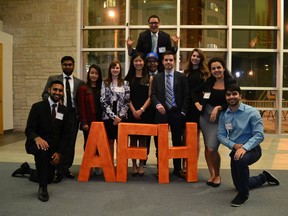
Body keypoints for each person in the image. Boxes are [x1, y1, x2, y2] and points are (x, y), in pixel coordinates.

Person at [217, 84, 280, 207]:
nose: (231, 97)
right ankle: (264, 177)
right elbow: (221, 135)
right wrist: (234, 146)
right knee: (239, 184)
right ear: (225, 97)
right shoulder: (224, 115)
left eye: (234, 93)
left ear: (240, 95)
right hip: (235, 150)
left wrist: (244, 148)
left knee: (241, 162)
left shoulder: (252, 112)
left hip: (252, 149)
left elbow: (259, 135)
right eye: (228, 94)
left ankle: (243, 195)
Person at [12, 80, 70, 202]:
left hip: (53, 148)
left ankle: (27, 170)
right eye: (55, 89)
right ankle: (43, 188)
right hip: (35, 143)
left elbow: (65, 135)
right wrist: (37, 138)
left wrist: (59, 153)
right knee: (42, 151)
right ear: (49, 90)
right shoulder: (37, 107)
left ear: (62, 93)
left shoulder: (64, 111)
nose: (57, 92)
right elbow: (29, 129)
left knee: (48, 177)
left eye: (60, 90)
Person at [42, 56, 85, 180]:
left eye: (70, 65)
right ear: (61, 65)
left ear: (73, 66)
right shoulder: (53, 79)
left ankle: (65, 168)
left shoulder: (79, 82)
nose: (68, 67)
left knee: (70, 142)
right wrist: (54, 100)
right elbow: (44, 94)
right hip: (57, 113)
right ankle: (54, 167)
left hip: (72, 115)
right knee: (56, 139)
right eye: (65, 64)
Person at [151, 50, 190, 179]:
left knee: (177, 142)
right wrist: (157, 105)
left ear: (174, 61)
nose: (168, 62)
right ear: (162, 62)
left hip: (177, 113)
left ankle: (177, 169)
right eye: (166, 60)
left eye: (171, 60)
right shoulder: (156, 78)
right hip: (161, 114)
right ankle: (161, 168)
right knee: (160, 143)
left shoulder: (181, 77)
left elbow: (186, 95)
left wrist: (183, 112)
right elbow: (153, 95)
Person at [199, 57, 237, 187]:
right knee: (207, 146)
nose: (216, 70)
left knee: (212, 147)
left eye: (218, 67)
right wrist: (197, 103)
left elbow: (234, 101)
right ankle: (212, 174)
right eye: (213, 68)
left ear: (223, 68)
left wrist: (219, 107)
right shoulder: (209, 82)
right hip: (205, 118)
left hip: (221, 118)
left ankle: (218, 174)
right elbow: (196, 92)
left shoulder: (230, 82)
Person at [124, 52, 152, 176]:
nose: (138, 63)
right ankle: (134, 165)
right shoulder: (128, 79)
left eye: (140, 61)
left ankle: (141, 165)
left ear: (144, 62)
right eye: (136, 61)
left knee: (143, 140)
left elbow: (151, 96)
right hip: (131, 112)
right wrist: (133, 110)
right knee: (133, 140)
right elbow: (126, 97)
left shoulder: (149, 78)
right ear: (132, 63)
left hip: (144, 112)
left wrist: (141, 110)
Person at [182, 48, 210, 171]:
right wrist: (194, 102)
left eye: (198, 56)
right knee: (187, 138)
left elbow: (207, 92)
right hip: (188, 108)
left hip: (199, 109)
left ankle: (193, 165)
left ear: (201, 59)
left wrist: (201, 104)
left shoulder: (205, 74)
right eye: (193, 56)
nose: (195, 58)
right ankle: (184, 164)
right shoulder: (186, 72)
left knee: (196, 137)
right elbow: (187, 91)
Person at [100, 60, 130, 162]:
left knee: (121, 142)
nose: (115, 70)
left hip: (121, 116)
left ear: (120, 69)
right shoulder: (105, 83)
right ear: (110, 69)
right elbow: (103, 101)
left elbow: (127, 101)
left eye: (117, 68)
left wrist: (119, 117)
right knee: (110, 141)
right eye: (113, 68)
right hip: (108, 116)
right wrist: (113, 117)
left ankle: (120, 165)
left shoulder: (125, 83)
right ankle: (110, 164)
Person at [77, 64, 103, 149]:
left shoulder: (102, 88)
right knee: (89, 143)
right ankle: (89, 162)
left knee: (100, 143)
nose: (94, 75)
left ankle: (98, 162)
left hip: (101, 120)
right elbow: (81, 107)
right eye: (92, 73)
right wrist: (84, 122)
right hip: (89, 121)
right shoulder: (83, 89)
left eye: (96, 73)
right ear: (89, 74)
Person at [145, 52, 160, 165]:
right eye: (149, 61)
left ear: (158, 63)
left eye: (154, 61)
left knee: (159, 137)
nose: (152, 63)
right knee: (145, 137)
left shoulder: (162, 75)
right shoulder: (142, 75)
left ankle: (160, 158)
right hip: (146, 111)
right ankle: (143, 158)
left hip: (159, 111)